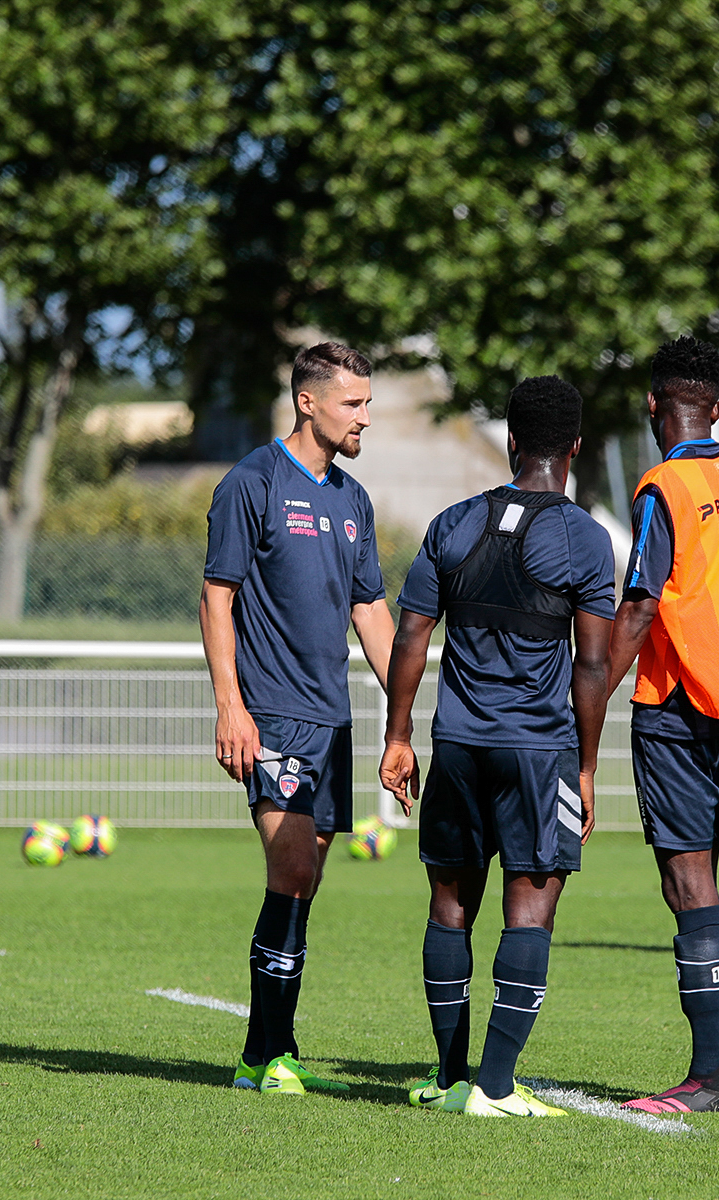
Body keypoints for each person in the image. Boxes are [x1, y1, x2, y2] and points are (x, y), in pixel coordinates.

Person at [380, 375, 616, 1118]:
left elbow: (412, 635)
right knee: (530, 910)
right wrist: (584, 765)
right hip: (537, 751)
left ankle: (450, 1078)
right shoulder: (583, 537)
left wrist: (397, 735)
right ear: (574, 447)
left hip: (455, 745)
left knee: (449, 906)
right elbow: (592, 665)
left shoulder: (452, 522)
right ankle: (496, 1086)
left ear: (510, 439)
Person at [200, 341, 396, 1096]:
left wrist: (403, 714)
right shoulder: (251, 483)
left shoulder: (352, 499)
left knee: (307, 876)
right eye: (354, 403)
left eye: (368, 403)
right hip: (272, 714)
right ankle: (262, 1055)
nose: (365, 419)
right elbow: (218, 598)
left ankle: (273, 1053)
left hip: (330, 720)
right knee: (289, 866)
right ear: (308, 401)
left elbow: (369, 607)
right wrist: (231, 708)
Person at [605, 335, 719, 1115]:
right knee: (699, 884)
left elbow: (640, 603)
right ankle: (711, 1068)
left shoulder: (661, 487)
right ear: (715, 402)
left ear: (652, 407)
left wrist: (589, 696)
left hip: (675, 705)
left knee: (686, 879)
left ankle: (710, 1076)